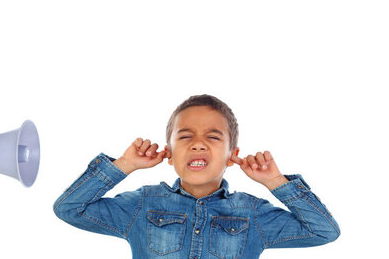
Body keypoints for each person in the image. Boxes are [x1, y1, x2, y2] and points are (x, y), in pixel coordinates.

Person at [53, 94, 339, 258]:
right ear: (170, 153)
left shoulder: (252, 213)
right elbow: (69, 209)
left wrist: (275, 182)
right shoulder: (143, 205)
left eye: (213, 137)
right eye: (185, 136)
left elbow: (324, 231)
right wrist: (124, 164)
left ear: (232, 154)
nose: (198, 143)